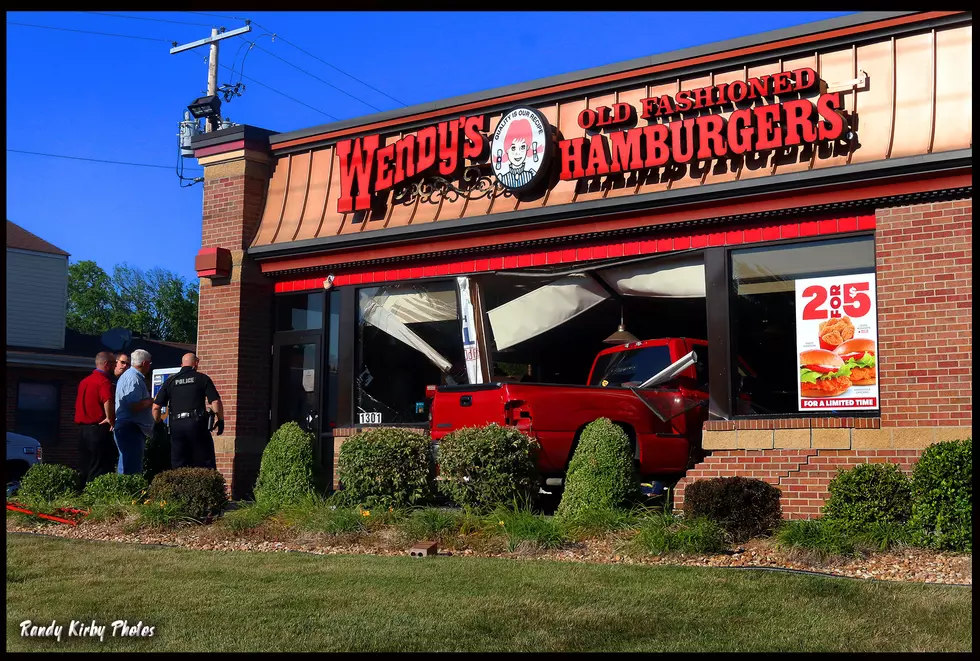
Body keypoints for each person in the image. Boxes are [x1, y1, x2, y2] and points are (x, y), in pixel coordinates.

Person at [152, 353, 223, 470]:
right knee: (204, 463)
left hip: (176, 427)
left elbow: (155, 407)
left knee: (179, 465)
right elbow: (215, 402)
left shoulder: (170, 381)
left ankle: (180, 487)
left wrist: (158, 422)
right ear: (196, 363)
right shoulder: (202, 378)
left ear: (181, 365)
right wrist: (220, 420)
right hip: (197, 425)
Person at [74, 351, 118, 483]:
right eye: (113, 364)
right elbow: (107, 400)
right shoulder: (104, 382)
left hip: (83, 430)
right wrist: (110, 418)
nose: (115, 366)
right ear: (106, 364)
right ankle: (95, 497)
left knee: (85, 465)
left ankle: (82, 493)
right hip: (98, 428)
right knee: (100, 467)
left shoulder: (84, 381)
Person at [114, 349, 154, 474]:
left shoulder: (128, 376)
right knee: (131, 467)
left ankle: (124, 490)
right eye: (149, 363)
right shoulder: (134, 379)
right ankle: (129, 491)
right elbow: (134, 406)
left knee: (126, 463)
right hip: (130, 427)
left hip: (126, 426)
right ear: (144, 363)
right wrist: (152, 401)